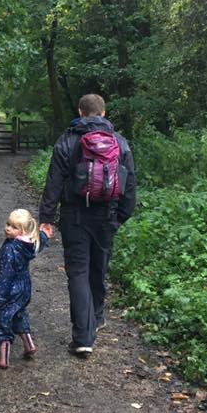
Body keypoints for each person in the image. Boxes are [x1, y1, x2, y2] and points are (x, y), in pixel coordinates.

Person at [38, 94, 136, 357]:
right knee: (98, 268)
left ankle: (83, 336)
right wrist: (120, 218)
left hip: (74, 216)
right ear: (103, 113)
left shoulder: (67, 141)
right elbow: (130, 186)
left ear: (80, 112)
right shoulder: (120, 143)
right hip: (107, 216)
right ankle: (98, 317)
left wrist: (46, 219)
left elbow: (53, 184)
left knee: (78, 272)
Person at [0, 208, 51, 369]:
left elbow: (4, 276)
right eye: (8, 224)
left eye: (14, 227)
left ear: (22, 230)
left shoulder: (8, 250)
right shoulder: (29, 243)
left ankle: (3, 358)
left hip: (10, 290)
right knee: (19, 313)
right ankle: (28, 344)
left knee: (2, 319)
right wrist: (44, 233)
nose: (8, 228)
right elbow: (40, 241)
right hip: (24, 288)